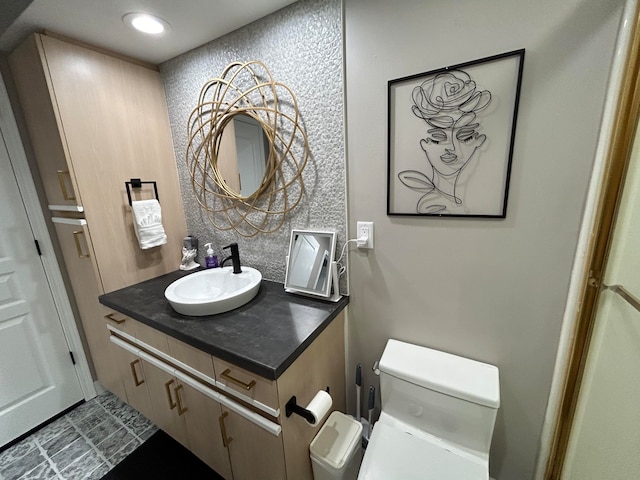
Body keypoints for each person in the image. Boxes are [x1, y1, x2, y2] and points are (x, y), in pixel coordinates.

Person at [399, 69, 491, 214]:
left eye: (465, 137)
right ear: (424, 144)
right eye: (438, 138)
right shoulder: (430, 205)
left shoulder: (486, 196)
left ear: (478, 141)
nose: (452, 148)